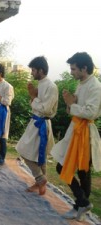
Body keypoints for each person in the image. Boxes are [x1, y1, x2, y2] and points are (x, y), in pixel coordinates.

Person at [51, 52, 101, 221]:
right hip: (75, 129)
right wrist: (69, 103)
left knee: (83, 170)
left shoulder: (96, 86)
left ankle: (80, 205)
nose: (71, 72)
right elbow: (74, 107)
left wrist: (72, 105)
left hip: (85, 132)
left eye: (73, 69)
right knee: (62, 166)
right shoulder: (81, 83)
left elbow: (91, 112)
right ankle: (82, 202)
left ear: (84, 68)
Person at [16, 56, 58, 195]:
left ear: (41, 70)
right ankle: (40, 184)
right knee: (37, 155)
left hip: (42, 123)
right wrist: (33, 96)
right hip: (35, 122)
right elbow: (35, 105)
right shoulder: (40, 84)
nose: (32, 73)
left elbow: (45, 108)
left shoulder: (51, 87)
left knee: (25, 150)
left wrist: (33, 97)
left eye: (33, 70)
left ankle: (40, 178)